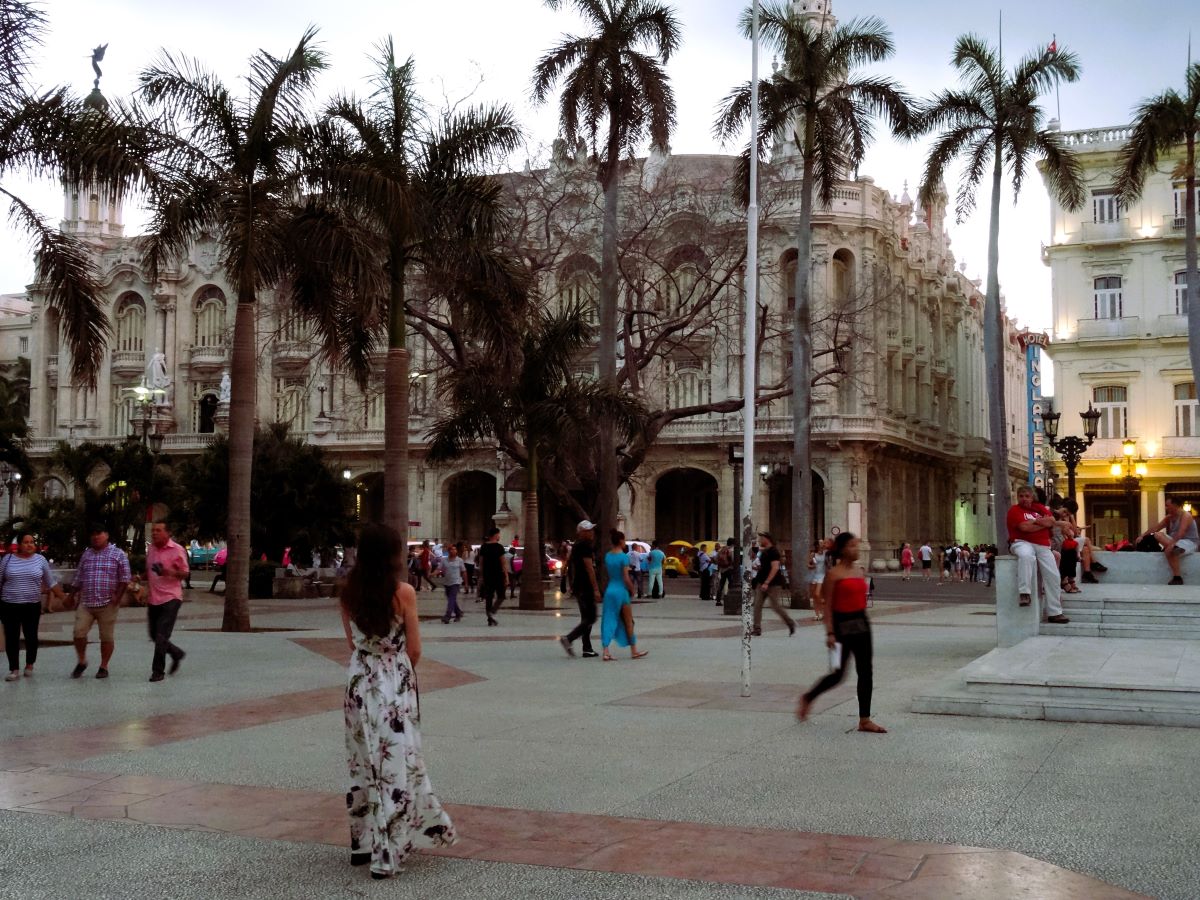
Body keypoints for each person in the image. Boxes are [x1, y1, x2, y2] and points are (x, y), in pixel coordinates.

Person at [339, 524, 456, 879]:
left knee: (363, 761)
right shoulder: (403, 592)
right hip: (394, 682)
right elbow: (415, 647)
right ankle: (386, 852)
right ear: (391, 554)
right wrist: (399, 673)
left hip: (359, 679)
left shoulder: (347, 591)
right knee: (396, 762)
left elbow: (351, 642)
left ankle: (361, 843)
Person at [797, 532, 886, 734]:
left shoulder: (859, 571)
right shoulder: (833, 574)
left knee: (866, 672)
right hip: (841, 627)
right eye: (853, 546)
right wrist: (829, 633)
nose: (857, 549)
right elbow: (827, 606)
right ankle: (808, 697)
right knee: (837, 674)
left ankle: (865, 719)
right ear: (844, 549)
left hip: (862, 625)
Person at [66, 524, 131, 679]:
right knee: (78, 633)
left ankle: (103, 666)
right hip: (86, 603)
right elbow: (79, 577)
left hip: (108, 603)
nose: (96, 537)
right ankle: (82, 661)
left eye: (99, 533)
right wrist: (70, 595)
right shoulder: (87, 554)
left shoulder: (118, 554)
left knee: (106, 637)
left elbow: (125, 578)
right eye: (93, 534)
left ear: (106, 535)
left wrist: (118, 597)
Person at [1, 533, 62, 681]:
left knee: (31, 636)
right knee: (11, 637)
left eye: (32, 542)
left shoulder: (40, 560)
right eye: (26, 542)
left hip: (32, 605)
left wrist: (64, 597)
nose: (30, 545)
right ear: (20, 545)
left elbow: (50, 582)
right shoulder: (7, 560)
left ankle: (29, 664)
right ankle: (14, 669)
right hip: (10, 604)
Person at [1008, 486, 1069, 622]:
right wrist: (1042, 522)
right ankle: (1025, 592)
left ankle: (1055, 612)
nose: (1024, 498)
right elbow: (1024, 527)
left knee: (1052, 574)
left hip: (1042, 545)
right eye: (1021, 496)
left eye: (1027, 496)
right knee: (1026, 556)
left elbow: (1052, 521)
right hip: (1021, 542)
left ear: (1032, 497)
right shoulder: (1014, 510)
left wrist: (1036, 522)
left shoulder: (1039, 508)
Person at [145, 521, 190, 682]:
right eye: (153, 530)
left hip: (171, 597)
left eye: (158, 530)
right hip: (153, 598)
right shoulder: (151, 549)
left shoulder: (177, 550)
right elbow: (149, 572)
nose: (154, 533)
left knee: (161, 635)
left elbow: (185, 573)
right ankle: (176, 653)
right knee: (153, 634)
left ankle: (158, 671)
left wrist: (168, 572)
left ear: (167, 533)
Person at [600, 530, 648, 661]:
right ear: (621, 541)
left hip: (610, 590)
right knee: (628, 621)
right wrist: (632, 589)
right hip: (621, 591)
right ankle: (634, 650)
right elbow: (626, 578)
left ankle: (605, 650)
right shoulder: (623, 557)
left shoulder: (608, 556)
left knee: (608, 619)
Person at [1138, 495, 1200, 585]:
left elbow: (1181, 532)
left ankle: (1177, 577)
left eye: (1168, 505)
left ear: (1175, 505)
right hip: (1175, 541)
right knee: (1158, 534)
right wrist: (1142, 536)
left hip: (1189, 542)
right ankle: (1175, 548)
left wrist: (1171, 544)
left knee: (1168, 550)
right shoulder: (1169, 517)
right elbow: (1156, 528)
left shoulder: (1186, 515)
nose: (1166, 508)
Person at [561, 520, 600, 658]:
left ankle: (587, 648)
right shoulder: (585, 546)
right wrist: (596, 589)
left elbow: (568, 564)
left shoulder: (576, 546)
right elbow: (589, 568)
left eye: (592, 530)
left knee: (586, 618)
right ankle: (569, 638)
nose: (592, 532)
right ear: (581, 532)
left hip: (578, 586)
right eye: (589, 530)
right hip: (585, 586)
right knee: (591, 617)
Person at [752, 532, 795, 637]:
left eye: (761, 538)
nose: (760, 540)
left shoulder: (774, 551)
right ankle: (757, 628)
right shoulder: (764, 552)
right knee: (757, 606)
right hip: (761, 582)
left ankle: (790, 622)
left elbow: (775, 567)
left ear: (767, 539)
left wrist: (767, 582)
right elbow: (765, 566)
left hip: (773, 583)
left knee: (775, 606)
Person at [478, 528, 507, 626]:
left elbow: (481, 563)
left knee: (489, 596)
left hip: (487, 574)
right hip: (498, 574)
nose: (499, 536)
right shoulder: (499, 547)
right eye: (499, 534)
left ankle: (489, 618)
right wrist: (506, 576)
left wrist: (481, 576)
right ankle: (492, 612)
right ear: (495, 535)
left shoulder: (483, 547)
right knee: (501, 595)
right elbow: (503, 563)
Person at [439, 544, 466, 623]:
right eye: (451, 549)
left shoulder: (459, 560)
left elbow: (464, 571)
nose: (453, 551)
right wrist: (432, 574)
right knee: (452, 599)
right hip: (447, 583)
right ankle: (458, 613)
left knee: (451, 598)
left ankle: (448, 616)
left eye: (454, 549)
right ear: (448, 551)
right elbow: (439, 569)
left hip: (456, 582)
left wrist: (466, 583)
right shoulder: (444, 560)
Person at [807, 540, 827, 620]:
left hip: (822, 575)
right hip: (814, 575)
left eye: (823, 542)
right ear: (817, 545)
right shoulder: (813, 554)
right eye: (821, 543)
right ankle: (817, 614)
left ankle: (822, 612)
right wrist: (812, 566)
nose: (822, 544)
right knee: (815, 596)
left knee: (818, 594)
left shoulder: (826, 553)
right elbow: (808, 564)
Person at [715, 538, 736, 606]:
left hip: (722, 569)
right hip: (729, 569)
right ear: (732, 544)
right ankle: (730, 597)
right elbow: (732, 559)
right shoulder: (730, 550)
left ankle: (718, 600)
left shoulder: (721, 549)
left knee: (721, 584)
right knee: (731, 583)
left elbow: (716, 559)